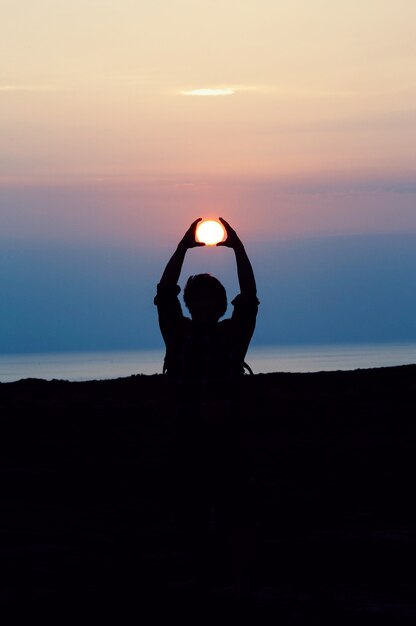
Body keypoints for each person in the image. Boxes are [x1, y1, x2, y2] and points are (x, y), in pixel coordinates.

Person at [154, 217, 259, 590]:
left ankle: (235, 579)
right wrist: (183, 246)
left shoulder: (233, 335)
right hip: (187, 438)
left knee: (236, 511)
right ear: (191, 303)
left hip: (227, 438)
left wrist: (239, 248)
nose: (204, 303)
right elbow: (165, 293)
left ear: (219, 304)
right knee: (192, 513)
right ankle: (204, 576)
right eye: (197, 298)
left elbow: (248, 297)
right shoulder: (178, 334)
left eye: (211, 298)